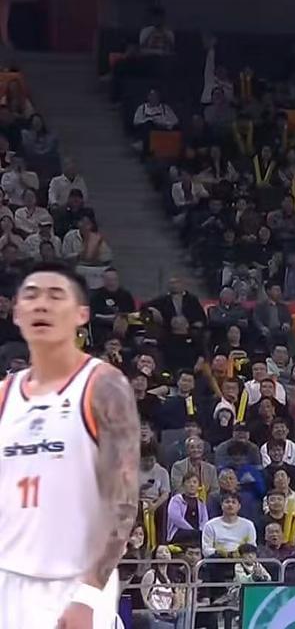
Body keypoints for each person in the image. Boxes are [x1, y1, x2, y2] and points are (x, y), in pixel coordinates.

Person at [0, 261, 140, 629]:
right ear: (16, 313)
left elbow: (122, 500)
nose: (42, 304)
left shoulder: (104, 386)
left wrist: (89, 594)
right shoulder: (4, 396)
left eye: (55, 295)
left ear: (81, 314)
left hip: (75, 580)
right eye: (31, 296)